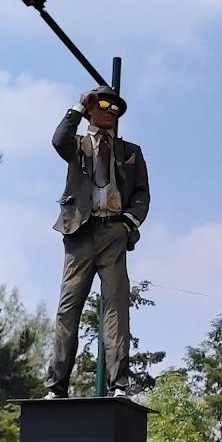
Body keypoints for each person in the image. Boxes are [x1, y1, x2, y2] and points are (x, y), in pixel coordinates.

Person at [44, 87, 151, 400]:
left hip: (113, 233)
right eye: (103, 105)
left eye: (116, 108)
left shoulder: (130, 150)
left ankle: (119, 384)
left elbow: (142, 192)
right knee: (68, 308)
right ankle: (56, 386)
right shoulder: (77, 146)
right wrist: (77, 107)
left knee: (117, 307)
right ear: (91, 107)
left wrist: (129, 222)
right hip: (79, 232)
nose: (110, 111)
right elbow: (58, 140)